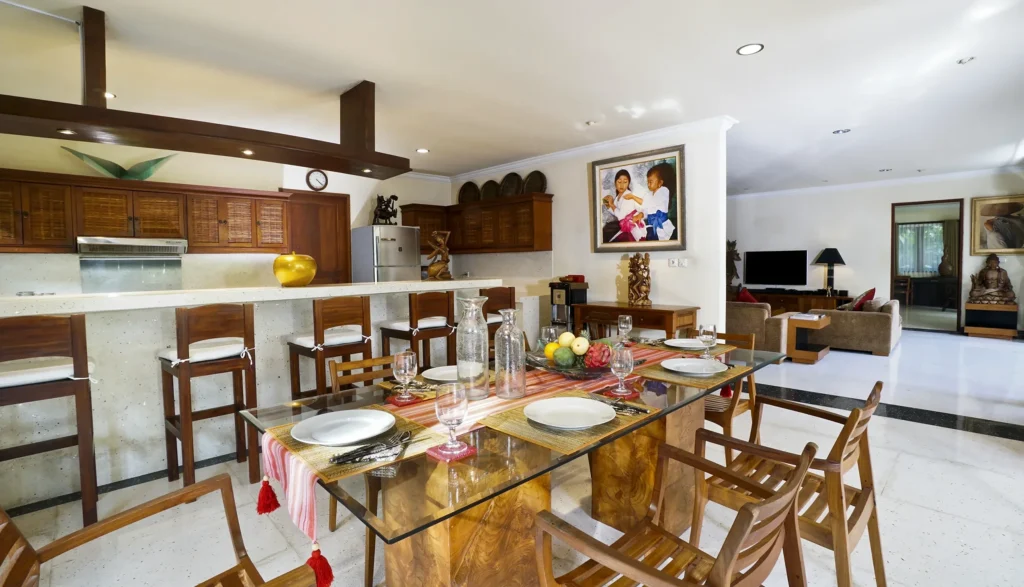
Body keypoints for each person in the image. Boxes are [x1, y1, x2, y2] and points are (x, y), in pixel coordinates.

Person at [602, 169, 645, 242]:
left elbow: (620, 215)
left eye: (625, 182)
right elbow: (616, 212)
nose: (622, 185)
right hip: (625, 224)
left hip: (633, 226)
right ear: (615, 183)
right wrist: (609, 206)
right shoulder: (618, 196)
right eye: (619, 182)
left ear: (628, 183)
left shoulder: (627, 196)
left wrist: (612, 204)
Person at [640, 164, 674, 241]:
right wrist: (641, 214)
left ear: (660, 183)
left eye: (651, 181)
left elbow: (651, 203)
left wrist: (633, 197)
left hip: (662, 225)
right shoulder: (648, 195)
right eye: (647, 182)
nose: (648, 184)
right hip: (651, 226)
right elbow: (646, 210)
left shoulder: (664, 191)